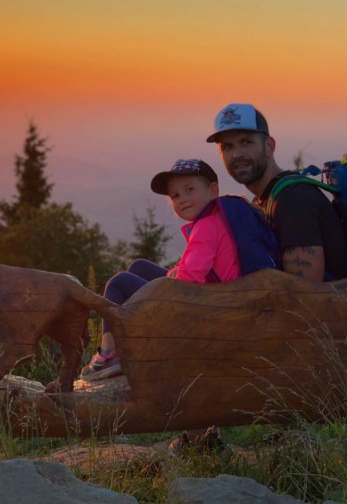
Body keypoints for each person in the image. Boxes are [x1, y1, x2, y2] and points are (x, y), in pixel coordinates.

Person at [80, 158, 241, 381]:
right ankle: (133, 338)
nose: (182, 199)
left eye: (189, 189)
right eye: (175, 195)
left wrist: (175, 276)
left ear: (212, 190)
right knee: (139, 266)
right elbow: (193, 265)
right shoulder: (215, 219)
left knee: (119, 283)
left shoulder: (205, 227)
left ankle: (109, 354)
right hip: (209, 296)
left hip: (202, 307)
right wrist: (175, 272)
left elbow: (190, 278)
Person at [207, 103, 347, 282]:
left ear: (269, 146)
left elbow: (306, 293)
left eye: (246, 142)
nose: (236, 154)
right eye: (227, 147)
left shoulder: (293, 199)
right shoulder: (265, 198)